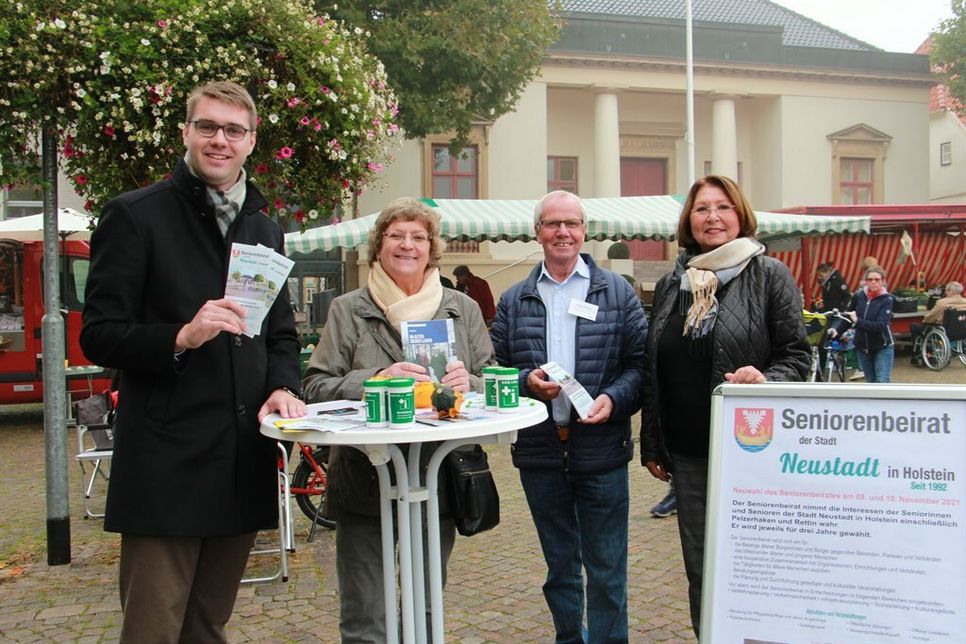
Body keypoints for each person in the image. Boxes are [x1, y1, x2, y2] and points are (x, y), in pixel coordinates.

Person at [80, 81, 306, 642]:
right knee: (153, 629)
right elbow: (99, 335)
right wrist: (181, 336)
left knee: (208, 625)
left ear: (252, 141)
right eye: (207, 127)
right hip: (166, 463)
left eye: (234, 130)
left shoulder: (264, 227)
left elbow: (281, 336)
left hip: (240, 459)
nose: (219, 140)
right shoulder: (135, 216)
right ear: (186, 133)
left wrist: (282, 386)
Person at [301, 197, 494, 642]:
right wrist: (376, 379)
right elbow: (314, 385)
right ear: (379, 245)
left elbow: (491, 381)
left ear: (432, 248)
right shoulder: (350, 308)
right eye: (396, 236)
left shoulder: (460, 308)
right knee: (366, 612)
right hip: (365, 477)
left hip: (439, 475)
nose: (408, 245)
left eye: (418, 237)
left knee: (426, 608)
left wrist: (472, 383)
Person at [640, 175, 809, 637]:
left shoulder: (769, 274)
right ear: (688, 220)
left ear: (740, 215)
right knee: (701, 568)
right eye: (701, 209)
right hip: (691, 454)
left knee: (755, 566)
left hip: (752, 451)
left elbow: (797, 356)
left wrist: (765, 377)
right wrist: (654, 443)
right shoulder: (677, 281)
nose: (712, 217)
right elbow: (655, 362)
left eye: (722, 207)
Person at [490, 190, 647, 643]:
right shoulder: (514, 299)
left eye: (571, 223)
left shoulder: (616, 292)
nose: (563, 232)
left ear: (584, 231)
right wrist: (525, 383)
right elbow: (494, 369)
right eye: (553, 223)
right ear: (537, 231)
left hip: (602, 452)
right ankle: (568, 638)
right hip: (540, 452)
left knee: (606, 568)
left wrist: (615, 400)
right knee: (560, 567)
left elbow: (639, 364)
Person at [831, 266, 895, 382]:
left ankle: (886, 400)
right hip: (862, 347)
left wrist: (857, 321)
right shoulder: (858, 296)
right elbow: (848, 317)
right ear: (866, 281)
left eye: (877, 279)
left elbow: (879, 326)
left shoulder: (887, 300)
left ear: (883, 281)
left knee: (881, 380)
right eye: (870, 279)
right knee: (870, 381)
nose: (873, 282)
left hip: (882, 345)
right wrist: (837, 331)